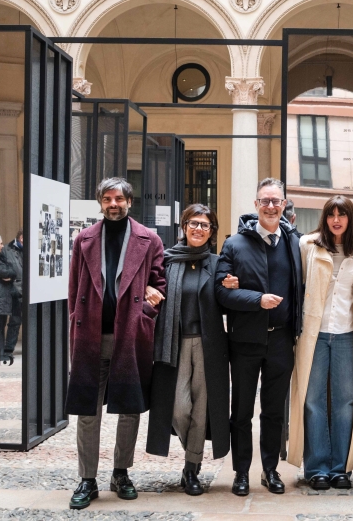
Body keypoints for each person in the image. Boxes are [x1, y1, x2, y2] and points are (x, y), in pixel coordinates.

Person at [65, 177, 166, 510]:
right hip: (91, 336)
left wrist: (147, 309)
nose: (113, 204)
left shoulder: (149, 239)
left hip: (129, 337)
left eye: (119, 198)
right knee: (87, 411)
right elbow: (74, 290)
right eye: (107, 198)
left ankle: (121, 473)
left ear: (129, 202)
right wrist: (74, 324)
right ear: (100, 202)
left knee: (129, 409)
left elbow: (158, 282)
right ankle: (87, 479)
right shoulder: (84, 239)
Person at [216, 178, 304, 496]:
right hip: (245, 341)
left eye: (276, 201)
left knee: (273, 411)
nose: (270, 206)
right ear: (256, 206)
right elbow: (220, 293)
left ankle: (269, 470)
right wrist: (257, 300)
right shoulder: (234, 245)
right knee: (241, 411)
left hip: (282, 340)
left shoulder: (295, 243)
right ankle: (241, 472)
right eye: (265, 201)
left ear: (283, 205)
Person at [145, 204, 234, 496]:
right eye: (194, 223)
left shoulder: (217, 262)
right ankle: (191, 448)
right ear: (184, 226)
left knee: (202, 407)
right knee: (180, 407)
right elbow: (145, 284)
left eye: (205, 225)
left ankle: (191, 468)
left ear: (212, 232)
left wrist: (231, 286)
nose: (199, 229)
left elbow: (224, 294)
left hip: (209, 344)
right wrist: (147, 289)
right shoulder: (167, 260)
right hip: (175, 342)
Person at [288, 196, 353, 490]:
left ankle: (340, 468)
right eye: (331, 215)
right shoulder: (308, 246)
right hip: (315, 334)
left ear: (351, 219)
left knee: (345, 402)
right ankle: (317, 467)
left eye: (342, 215)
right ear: (324, 218)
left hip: (348, 334)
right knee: (312, 400)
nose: (336, 220)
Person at [0, 230, 24, 358]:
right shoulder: (7, 250)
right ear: (21, 238)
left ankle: (31, 348)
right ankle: (9, 349)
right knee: (15, 320)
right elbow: (1, 267)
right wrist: (7, 275)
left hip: (32, 291)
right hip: (16, 291)